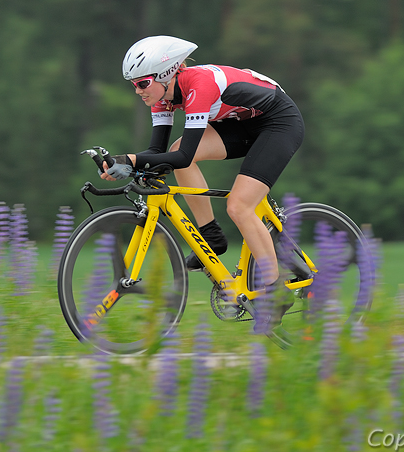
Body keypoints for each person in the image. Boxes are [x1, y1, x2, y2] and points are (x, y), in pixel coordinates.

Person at [100, 35, 304, 331]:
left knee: (239, 205)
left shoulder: (199, 85)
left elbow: (183, 158)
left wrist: (131, 160)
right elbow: (157, 153)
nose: (138, 91)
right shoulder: (162, 97)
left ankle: (276, 292)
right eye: (134, 85)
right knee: (171, 152)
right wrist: (122, 162)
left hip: (279, 122)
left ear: (165, 74)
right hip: (240, 124)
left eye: (142, 83)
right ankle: (211, 234)